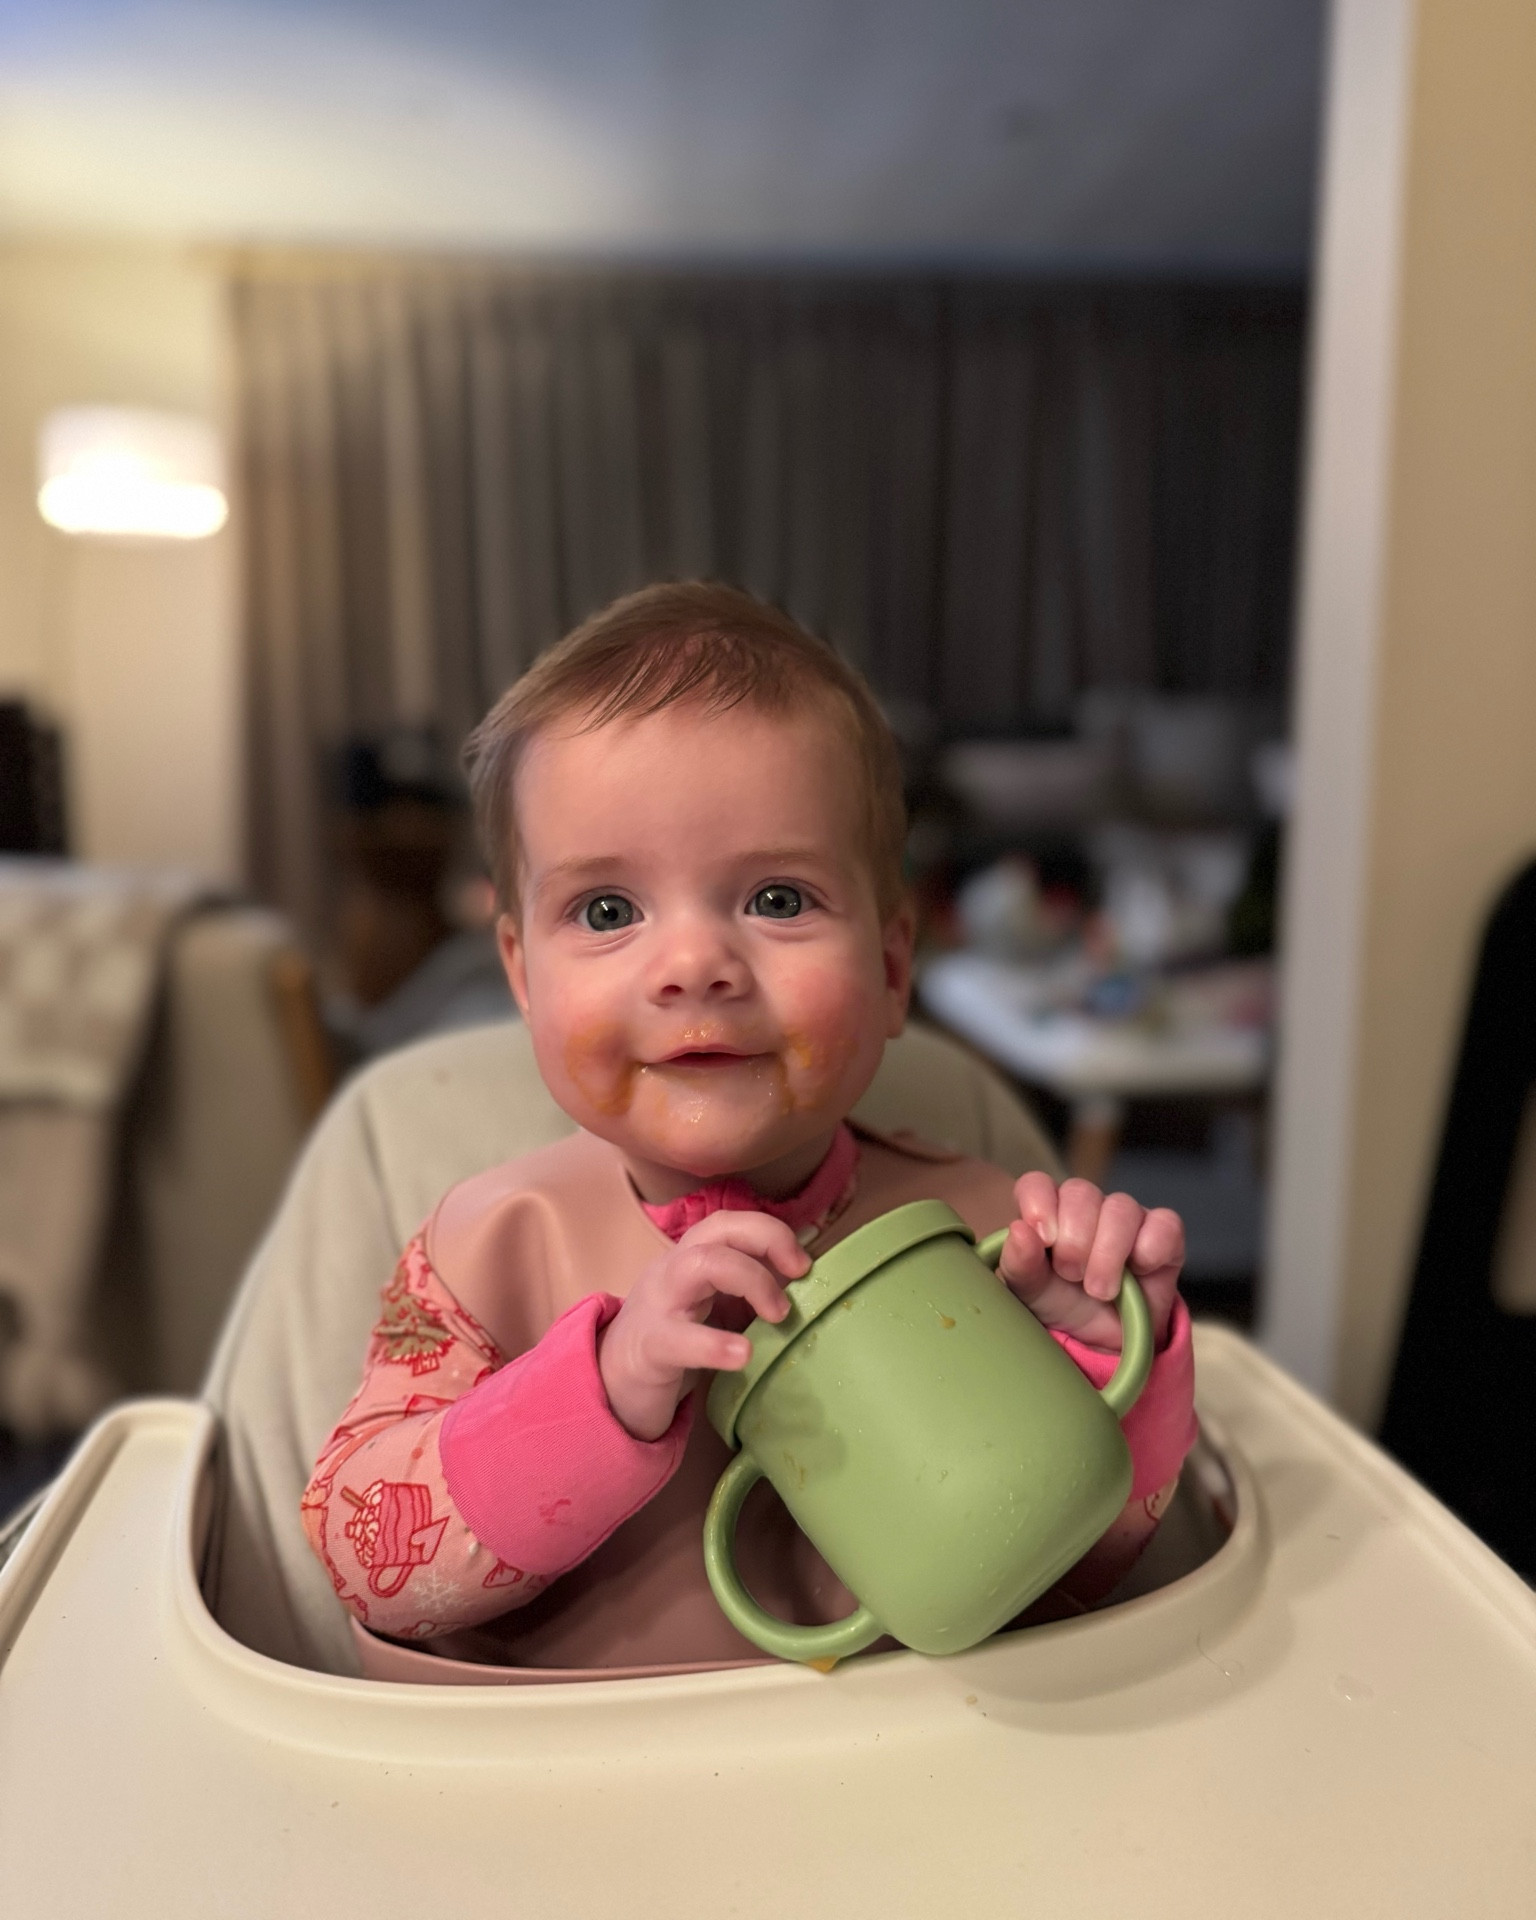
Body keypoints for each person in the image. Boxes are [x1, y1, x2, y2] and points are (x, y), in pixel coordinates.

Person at [302, 583, 1197, 1675]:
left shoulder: (988, 1237)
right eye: (607, 911)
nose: (693, 966)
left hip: (910, 1786)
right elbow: (361, 1551)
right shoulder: (484, 1251)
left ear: (891, 967)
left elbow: (1074, 1585)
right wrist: (603, 1392)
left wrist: (1116, 1364)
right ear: (521, 975)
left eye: (777, 899)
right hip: (558, 1797)